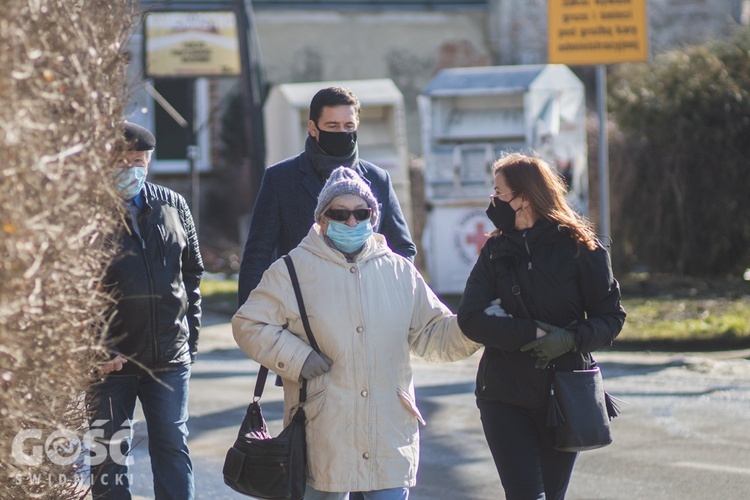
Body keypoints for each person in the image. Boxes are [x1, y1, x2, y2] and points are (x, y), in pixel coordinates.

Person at [232, 167, 479, 500]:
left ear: (373, 217)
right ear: (321, 218)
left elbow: (433, 333)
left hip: (389, 431)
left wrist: (475, 327)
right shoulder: (291, 270)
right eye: (339, 213)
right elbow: (248, 324)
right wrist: (298, 358)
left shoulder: (398, 270)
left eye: (361, 213)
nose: (351, 222)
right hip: (324, 430)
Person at [457, 153, 626, 500]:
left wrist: (569, 339)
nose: (493, 201)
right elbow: (470, 318)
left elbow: (611, 318)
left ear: (524, 198)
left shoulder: (583, 249)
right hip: (502, 395)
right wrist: (531, 333)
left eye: (499, 193)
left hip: (564, 395)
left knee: (552, 495)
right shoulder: (495, 250)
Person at [89, 122, 203, 499]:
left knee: (172, 447)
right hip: (111, 364)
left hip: (168, 356)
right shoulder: (86, 214)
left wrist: (191, 338)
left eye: (139, 161)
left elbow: (193, 276)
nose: (132, 170)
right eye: (123, 162)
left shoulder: (174, 206)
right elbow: (70, 293)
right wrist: (95, 349)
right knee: (108, 455)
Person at [237, 86, 416, 307]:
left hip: (368, 308)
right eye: (332, 126)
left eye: (348, 126)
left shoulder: (378, 179)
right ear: (313, 128)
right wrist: (250, 318)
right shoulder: (281, 179)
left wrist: (396, 297)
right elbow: (258, 254)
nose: (342, 132)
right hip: (303, 311)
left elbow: (402, 249)